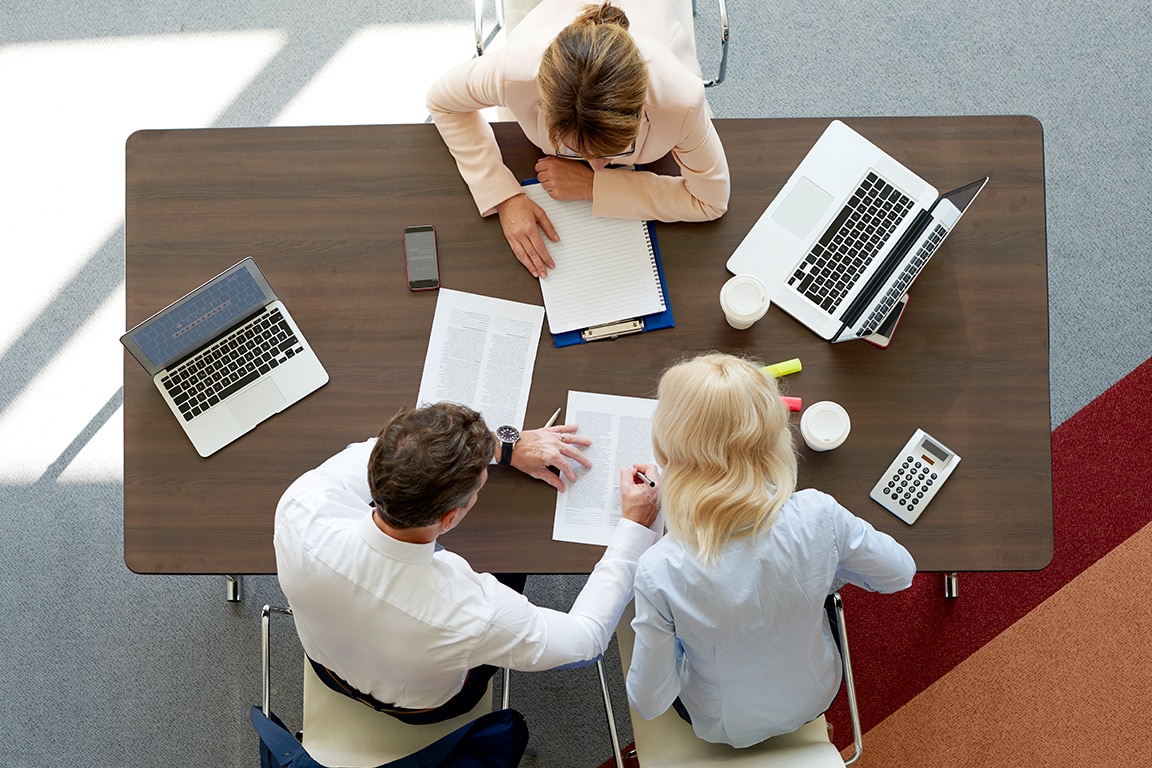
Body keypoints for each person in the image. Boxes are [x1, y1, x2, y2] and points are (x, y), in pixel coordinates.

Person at [275, 401, 660, 724]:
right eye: (478, 488)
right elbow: (586, 643)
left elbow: (385, 450)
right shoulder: (474, 611)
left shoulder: (302, 506)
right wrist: (633, 531)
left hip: (327, 665)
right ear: (449, 519)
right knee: (511, 559)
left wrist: (505, 446)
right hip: (421, 706)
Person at [625, 353, 916, 747]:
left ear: (670, 451)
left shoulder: (658, 568)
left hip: (722, 724)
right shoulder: (819, 514)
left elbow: (650, 700)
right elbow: (900, 574)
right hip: (817, 693)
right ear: (775, 432)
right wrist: (825, 566)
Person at [426, 0, 730, 278]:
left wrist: (593, 186)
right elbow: (442, 101)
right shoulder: (515, 71)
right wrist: (503, 195)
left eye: (612, 150)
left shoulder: (680, 99)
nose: (597, 166)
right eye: (577, 148)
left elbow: (711, 200)